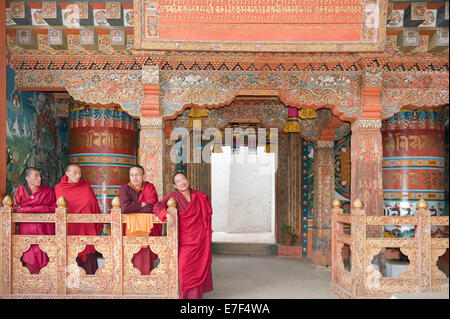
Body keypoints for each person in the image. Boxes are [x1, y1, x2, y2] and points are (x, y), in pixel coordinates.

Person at [153, 172, 213, 299]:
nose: (182, 183)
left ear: (188, 181)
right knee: (184, 268)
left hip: (200, 239)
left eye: (184, 179)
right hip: (185, 240)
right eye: (178, 181)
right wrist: (167, 214)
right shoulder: (173, 197)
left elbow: (207, 215)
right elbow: (157, 206)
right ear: (175, 185)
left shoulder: (199, 196)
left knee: (199, 268)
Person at [54, 164, 103, 274]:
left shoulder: (86, 187)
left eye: (79, 173)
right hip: (69, 228)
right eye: (75, 173)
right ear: (67, 174)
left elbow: (94, 206)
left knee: (88, 252)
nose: (78, 176)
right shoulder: (59, 188)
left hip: (86, 227)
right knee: (70, 252)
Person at [13, 167, 56, 274]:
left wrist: (34, 209)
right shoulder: (20, 190)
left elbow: (55, 207)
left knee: (45, 253)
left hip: (45, 229)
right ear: (28, 178)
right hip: (28, 230)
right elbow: (16, 208)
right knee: (30, 253)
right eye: (36, 176)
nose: (39, 178)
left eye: (40, 176)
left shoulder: (47, 191)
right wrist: (37, 209)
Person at [119, 165, 160, 275]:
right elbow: (124, 208)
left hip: (147, 229)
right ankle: (130, 280)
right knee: (130, 254)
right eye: (132, 175)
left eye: (137, 175)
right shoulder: (124, 189)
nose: (134, 178)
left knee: (145, 257)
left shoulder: (150, 187)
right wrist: (142, 204)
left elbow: (151, 207)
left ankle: (146, 280)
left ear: (143, 176)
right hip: (128, 229)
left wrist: (133, 208)